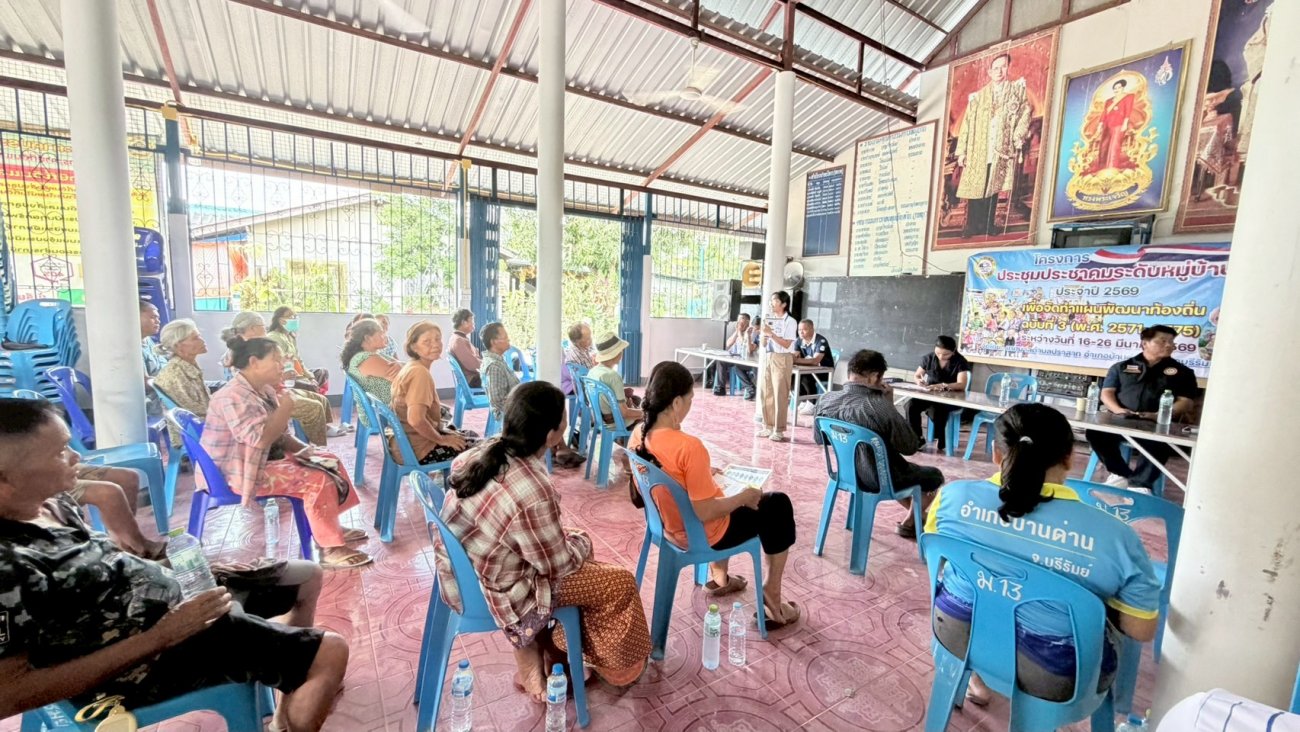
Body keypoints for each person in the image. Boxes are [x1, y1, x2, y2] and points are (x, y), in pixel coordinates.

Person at [0, 398, 347, 732]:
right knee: (331, 651)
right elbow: (9, 695)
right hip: (142, 662)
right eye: (60, 452)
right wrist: (162, 636)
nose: (76, 456)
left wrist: (187, 569)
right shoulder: (8, 565)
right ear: (4, 480)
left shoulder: (50, 501)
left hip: (176, 609)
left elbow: (104, 564)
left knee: (306, 575)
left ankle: (287, 680)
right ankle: (294, 691)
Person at [924, 402, 1160, 705]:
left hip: (954, 635)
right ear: (1070, 458)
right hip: (1055, 676)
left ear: (996, 454)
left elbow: (936, 556)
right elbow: (1141, 628)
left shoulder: (952, 497)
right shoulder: (1115, 536)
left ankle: (978, 676)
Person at [434, 382, 652, 700]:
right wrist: (579, 542)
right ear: (552, 434)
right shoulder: (533, 488)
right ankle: (616, 668)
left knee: (580, 552)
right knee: (618, 582)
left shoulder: (479, 453)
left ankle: (555, 648)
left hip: (459, 574)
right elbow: (558, 566)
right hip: (498, 591)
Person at [631, 361, 800, 627]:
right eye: (690, 399)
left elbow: (669, 476)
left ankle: (720, 576)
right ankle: (772, 595)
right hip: (703, 535)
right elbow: (705, 511)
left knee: (725, 494)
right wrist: (743, 498)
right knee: (777, 504)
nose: (690, 405)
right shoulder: (689, 447)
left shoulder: (639, 435)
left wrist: (703, 473)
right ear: (676, 402)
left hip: (665, 528)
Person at [207, 335, 372, 569]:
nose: (282, 365)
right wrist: (284, 410)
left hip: (262, 459)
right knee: (316, 479)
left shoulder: (261, 389)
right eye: (276, 359)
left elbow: (281, 435)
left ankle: (330, 525)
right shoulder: (233, 396)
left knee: (328, 459)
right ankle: (329, 549)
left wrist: (305, 450)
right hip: (240, 472)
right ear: (254, 362)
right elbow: (260, 440)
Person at [814, 350, 944, 539]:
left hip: (844, 473)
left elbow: (820, 439)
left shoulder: (825, 400)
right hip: (878, 478)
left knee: (891, 472)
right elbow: (909, 447)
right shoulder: (880, 407)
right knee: (934, 476)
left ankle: (914, 518)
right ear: (874, 377)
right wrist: (890, 405)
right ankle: (913, 519)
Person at [1086, 325, 1198, 492]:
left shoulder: (1183, 372)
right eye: (1163, 341)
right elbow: (1107, 393)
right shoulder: (1121, 367)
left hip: (1157, 424)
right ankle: (1120, 474)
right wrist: (1118, 410)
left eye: (1171, 342)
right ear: (1145, 343)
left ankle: (1140, 485)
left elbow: (1186, 402)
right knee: (1096, 433)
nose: (1169, 345)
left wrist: (1159, 415)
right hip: (1121, 420)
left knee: (1160, 441)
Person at [223, 311, 335, 445]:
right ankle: (319, 446)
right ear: (252, 328)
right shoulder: (242, 351)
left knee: (320, 399)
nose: (266, 329)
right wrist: (282, 377)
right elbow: (255, 384)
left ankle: (318, 436)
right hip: (264, 398)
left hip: (274, 390)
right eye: (262, 326)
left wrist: (283, 364)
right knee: (314, 407)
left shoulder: (258, 345)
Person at [953, 52, 1033, 238]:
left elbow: (1024, 114)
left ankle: (988, 225)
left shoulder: (1016, 91)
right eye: (995, 68)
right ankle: (971, 225)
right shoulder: (978, 97)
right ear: (989, 72)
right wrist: (962, 152)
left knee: (992, 186)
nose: (999, 71)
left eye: (1003, 67)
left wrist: (1018, 136)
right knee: (975, 187)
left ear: (1008, 68)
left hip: (1000, 148)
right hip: (978, 148)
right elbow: (966, 125)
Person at [390, 321, 474, 465]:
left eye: (437, 339)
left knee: (470, 436)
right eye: (427, 342)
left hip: (406, 443)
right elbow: (416, 420)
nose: (435, 345)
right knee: (483, 451)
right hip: (418, 450)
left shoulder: (411, 366)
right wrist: (442, 440)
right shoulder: (419, 374)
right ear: (413, 347)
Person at [72, 463, 167, 559]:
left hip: (66, 464)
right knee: (110, 492)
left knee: (128, 478)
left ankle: (125, 545)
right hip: (61, 480)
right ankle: (141, 548)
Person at [907, 335, 972, 453]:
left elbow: (961, 384)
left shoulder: (960, 361)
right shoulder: (929, 358)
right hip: (930, 394)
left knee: (936, 409)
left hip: (951, 397)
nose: (941, 357)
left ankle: (941, 436)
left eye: (946, 354)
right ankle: (917, 438)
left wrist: (942, 386)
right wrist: (919, 381)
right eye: (938, 353)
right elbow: (917, 375)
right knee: (911, 405)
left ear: (953, 351)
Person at [153, 319, 213, 447]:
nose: (202, 340)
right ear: (178, 345)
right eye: (195, 338)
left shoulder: (187, 365)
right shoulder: (174, 374)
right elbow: (191, 413)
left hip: (204, 425)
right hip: (193, 433)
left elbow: (204, 403)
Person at [341, 318, 403, 426]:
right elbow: (404, 378)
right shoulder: (367, 359)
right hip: (384, 413)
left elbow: (404, 369)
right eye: (381, 333)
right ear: (368, 338)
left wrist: (401, 365)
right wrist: (404, 367)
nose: (385, 336)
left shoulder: (370, 354)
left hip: (383, 408)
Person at [757, 291, 798, 442]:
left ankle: (778, 429)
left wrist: (771, 334)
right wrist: (764, 335)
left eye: (775, 300)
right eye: (771, 300)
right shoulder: (769, 319)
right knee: (766, 391)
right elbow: (763, 344)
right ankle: (767, 425)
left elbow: (787, 344)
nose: (771, 303)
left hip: (783, 358)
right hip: (769, 356)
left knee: (780, 393)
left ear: (784, 304)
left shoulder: (791, 321)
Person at [266, 305, 330, 394]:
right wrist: (304, 379)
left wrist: (310, 377)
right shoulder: (274, 337)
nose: (295, 319)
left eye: (295, 316)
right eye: (291, 317)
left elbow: (299, 360)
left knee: (322, 372)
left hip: (299, 375)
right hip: (286, 378)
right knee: (311, 387)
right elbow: (281, 365)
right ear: (281, 320)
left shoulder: (290, 336)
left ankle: (314, 394)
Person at [586, 333, 643, 425]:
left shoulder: (592, 372)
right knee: (653, 418)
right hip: (617, 422)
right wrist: (646, 413)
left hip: (601, 420)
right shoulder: (613, 376)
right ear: (617, 353)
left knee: (636, 400)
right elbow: (624, 413)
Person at [1085, 78, 1139, 175]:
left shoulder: (1128, 97)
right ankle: (1101, 168)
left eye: (1119, 87)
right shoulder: (1109, 101)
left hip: (1119, 124)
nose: (1117, 89)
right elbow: (1104, 113)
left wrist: (1125, 123)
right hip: (1107, 125)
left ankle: (1112, 167)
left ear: (1123, 88)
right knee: (1104, 146)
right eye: (1115, 88)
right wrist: (1100, 124)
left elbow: (1128, 110)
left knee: (1114, 145)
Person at [707, 314, 757, 399]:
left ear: (747, 321)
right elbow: (728, 344)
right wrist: (737, 332)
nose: (739, 322)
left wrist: (739, 332)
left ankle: (750, 388)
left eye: (741, 319)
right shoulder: (738, 331)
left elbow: (744, 345)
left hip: (744, 359)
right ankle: (721, 388)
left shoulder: (750, 332)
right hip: (734, 357)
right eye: (738, 319)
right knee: (720, 360)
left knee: (737, 366)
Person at [793, 318, 834, 415]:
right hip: (808, 369)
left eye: (804, 329)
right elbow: (795, 355)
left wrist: (795, 360)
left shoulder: (821, 341)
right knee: (792, 375)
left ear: (812, 329)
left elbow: (815, 361)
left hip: (825, 372)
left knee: (806, 376)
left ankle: (812, 404)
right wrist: (792, 358)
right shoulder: (798, 341)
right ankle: (803, 401)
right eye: (799, 330)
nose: (801, 332)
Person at [140, 301, 166, 416]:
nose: (158, 321)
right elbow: (144, 383)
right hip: (154, 401)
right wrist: (174, 383)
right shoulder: (131, 349)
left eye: (158, 318)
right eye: (153, 317)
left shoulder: (148, 340)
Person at [447, 309, 483, 388]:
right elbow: (473, 365)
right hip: (472, 379)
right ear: (464, 322)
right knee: (502, 378)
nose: (474, 324)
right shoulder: (459, 340)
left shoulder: (458, 338)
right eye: (472, 321)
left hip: (472, 378)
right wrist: (488, 365)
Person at [560, 322, 597, 397]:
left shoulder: (582, 348)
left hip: (584, 384)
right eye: (588, 338)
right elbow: (591, 375)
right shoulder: (577, 355)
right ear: (578, 342)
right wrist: (596, 365)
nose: (591, 340)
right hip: (584, 388)